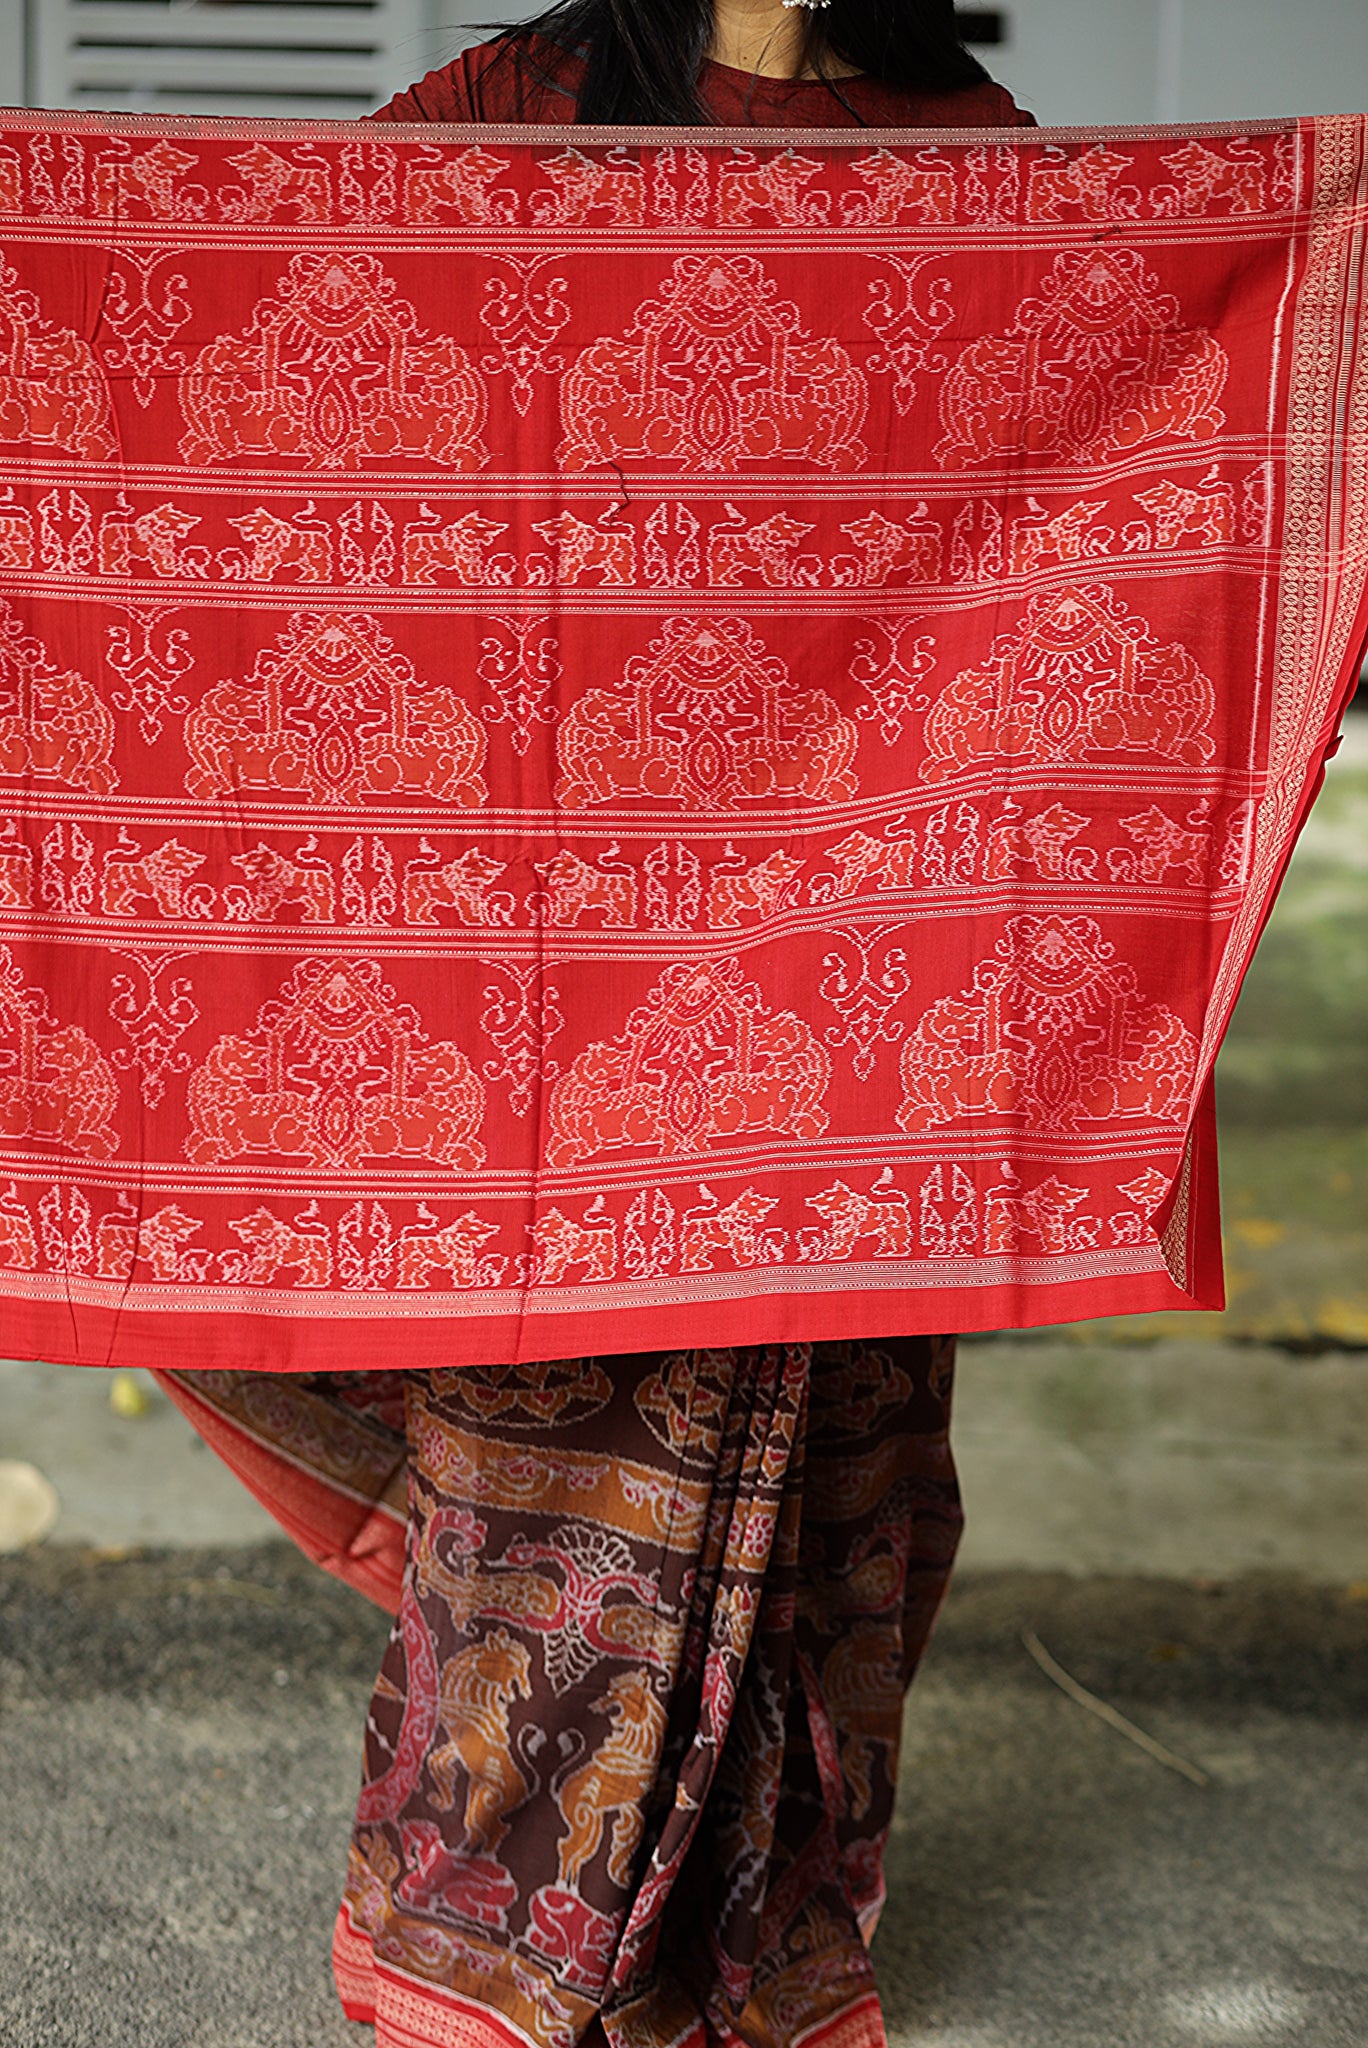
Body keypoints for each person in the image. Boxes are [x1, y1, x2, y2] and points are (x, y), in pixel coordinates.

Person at [160, 8, 1036, 2046]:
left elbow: (1056, 476)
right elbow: (275, 324)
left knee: (816, 1461)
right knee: (542, 1435)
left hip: (832, 918)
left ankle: (746, 1928)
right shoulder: (517, 105)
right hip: (562, 937)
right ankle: (486, 1934)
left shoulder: (957, 132)